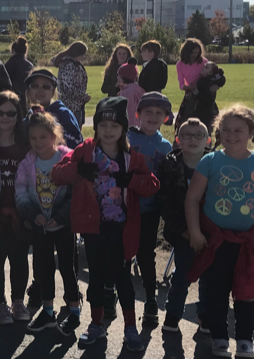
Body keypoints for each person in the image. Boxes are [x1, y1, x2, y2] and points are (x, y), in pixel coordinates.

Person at [52, 97, 159, 352]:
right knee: (97, 277)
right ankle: (97, 325)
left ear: (123, 129)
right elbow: (57, 174)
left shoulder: (131, 157)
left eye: (114, 126)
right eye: (102, 125)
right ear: (96, 127)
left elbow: (152, 185)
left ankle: (130, 328)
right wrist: (79, 169)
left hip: (121, 228)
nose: (108, 131)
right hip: (92, 228)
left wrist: (131, 180)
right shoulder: (86, 151)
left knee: (122, 278)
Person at [185, 105, 254, 358]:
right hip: (216, 239)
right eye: (225, 129)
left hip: (248, 242)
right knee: (217, 290)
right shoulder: (210, 161)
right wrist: (194, 232)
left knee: (247, 292)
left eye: (238, 130)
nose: (231, 134)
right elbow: (192, 198)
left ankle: (246, 339)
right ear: (218, 132)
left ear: (250, 133)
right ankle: (219, 337)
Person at [16, 110, 80, 336]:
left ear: (54, 136)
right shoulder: (27, 164)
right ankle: (48, 311)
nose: (38, 142)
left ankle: (74, 311)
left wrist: (62, 216)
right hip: (40, 225)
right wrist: (32, 213)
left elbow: (76, 194)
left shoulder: (68, 159)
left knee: (67, 268)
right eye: (33, 138)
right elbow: (21, 192)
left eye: (43, 137)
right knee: (44, 268)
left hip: (63, 225)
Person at [158, 118, 210, 334]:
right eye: (187, 135)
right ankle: (172, 316)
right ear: (177, 140)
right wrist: (183, 230)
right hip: (182, 232)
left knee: (209, 276)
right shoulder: (169, 165)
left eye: (199, 136)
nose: (193, 140)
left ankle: (206, 317)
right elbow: (165, 201)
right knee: (182, 275)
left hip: (211, 232)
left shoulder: (215, 164)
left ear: (208, 140)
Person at [0, 91, 31, 325]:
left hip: (20, 211)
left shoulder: (26, 144)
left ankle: (18, 301)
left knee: (19, 258)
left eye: (11, 113)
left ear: (18, 115)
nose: (4, 117)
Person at [126, 92, 173, 325]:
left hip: (150, 209)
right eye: (148, 112)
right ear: (138, 115)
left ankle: (150, 301)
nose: (153, 117)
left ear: (166, 118)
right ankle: (114, 294)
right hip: (123, 207)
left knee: (146, 254)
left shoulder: (166, 146)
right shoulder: (125, 138)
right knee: (122, 253)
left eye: (159, 113)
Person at [24, 69, 83, 149]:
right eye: (35, 86)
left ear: (53, 92)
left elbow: (78, 143)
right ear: (28, 91)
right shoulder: (28, 116)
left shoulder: (63, 114)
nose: (40, 90)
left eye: (46, 87)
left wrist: (52, 127)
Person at [174, 38, 209, 131]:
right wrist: (187, 87)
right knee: (185, 117)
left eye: (197, 52)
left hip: (203, 93)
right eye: (193, 52)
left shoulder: (203, 62)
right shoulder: (180, 65)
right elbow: (181, 83)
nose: (195, 55)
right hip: (190, 92)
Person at [53, 42, 90, 128]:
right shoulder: (69, 66)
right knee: (72, 131)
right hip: (71, 106)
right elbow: (69, 89)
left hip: (76, 105)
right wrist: (84, 97)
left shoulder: (72, 64)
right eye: (83, 54)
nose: (84, 57)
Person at [192, 62, 226, 136]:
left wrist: (217, 85)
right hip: (200, 107)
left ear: (211, 72)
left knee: (207, 127)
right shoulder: (202, 81)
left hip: (209, 108)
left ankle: (207, 142)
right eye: (204, 66)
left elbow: (222, 78)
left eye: (206, 68)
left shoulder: (213, 79)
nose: (203, 68)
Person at [5, 36, 34, 106]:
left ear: (13, 50)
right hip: (28, 99)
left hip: (13, 98)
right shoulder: (30, 66)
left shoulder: (9, 64)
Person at [117, 58, 145, 128]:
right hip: (138, 122)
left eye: (119, 76)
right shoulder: (137, 88)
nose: (117, 78)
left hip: (130, 125)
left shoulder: (127, 92)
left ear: (125, 78)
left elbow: (128, 111)